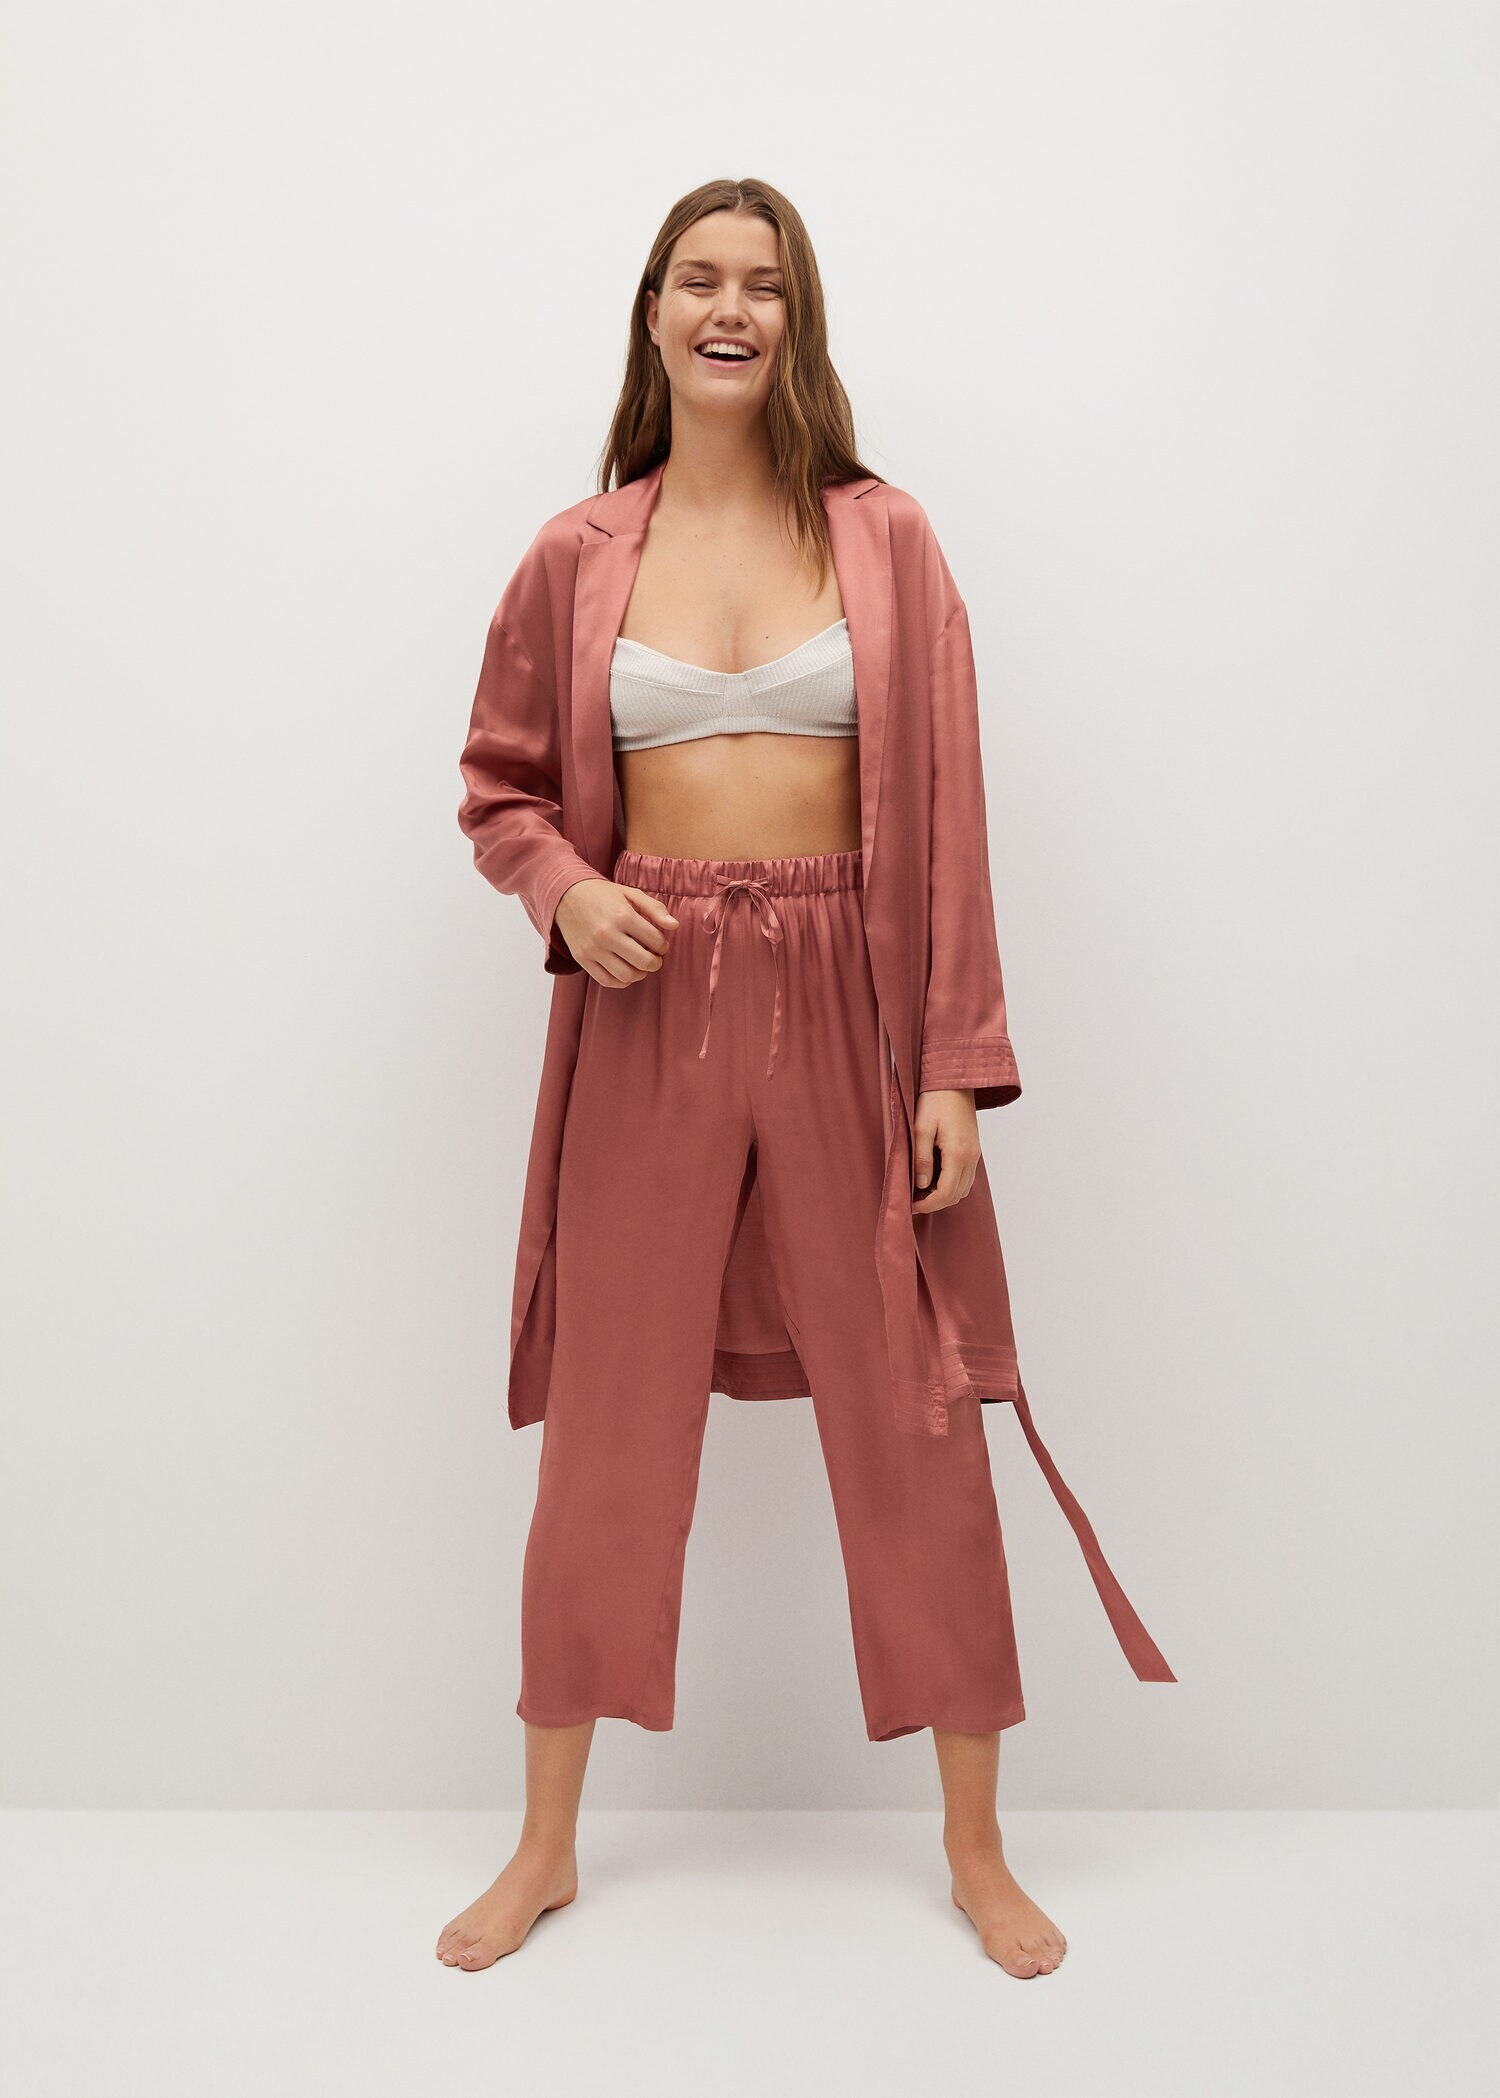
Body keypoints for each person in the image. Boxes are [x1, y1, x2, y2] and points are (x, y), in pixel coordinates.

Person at [438, 177, 1172, 1980]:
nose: (729, 308)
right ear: (653, 309)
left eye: (762, 285)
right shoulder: (575, 553)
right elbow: (500, 787)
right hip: (648, 1000)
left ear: (797, 320)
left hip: (852, 997)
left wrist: (952, 1065)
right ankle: (545, 1846)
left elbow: (953, 817)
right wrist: (571, 889)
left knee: (918, 1418)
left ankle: (977, 1851)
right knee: (610, 1423)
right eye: (699, 278)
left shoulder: (889, 540)